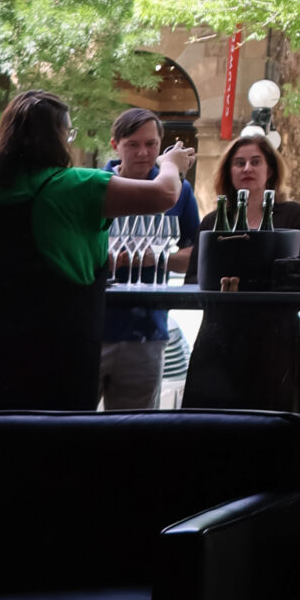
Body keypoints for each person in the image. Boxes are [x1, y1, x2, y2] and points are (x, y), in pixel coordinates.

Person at [0, 89, 193, 411]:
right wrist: (171, 164)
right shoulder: (77, 186)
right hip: (54, 360)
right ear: (57, 137)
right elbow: (164, 194)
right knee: (60, 440)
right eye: (68, 133)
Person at [184, 132, 300, 411]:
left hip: (275, 340)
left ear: (270, 170)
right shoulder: (213, 220)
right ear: (228, 171)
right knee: (211, 422)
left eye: (256, 161)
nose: (247, 168)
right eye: (239, 163)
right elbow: (193, 279)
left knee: (272, 422)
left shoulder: (292, 215)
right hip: (220, 336)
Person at [99, 106, 204, 412]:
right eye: (133, 144)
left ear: (161, 145)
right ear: (115, 145)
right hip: (91, 326)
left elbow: (194, 255)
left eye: (151, 144)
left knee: (135, 425)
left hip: (147, 329)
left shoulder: (179, 191)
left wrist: (158, 258)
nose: (143, 152)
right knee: (72, 422)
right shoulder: (95, 184)